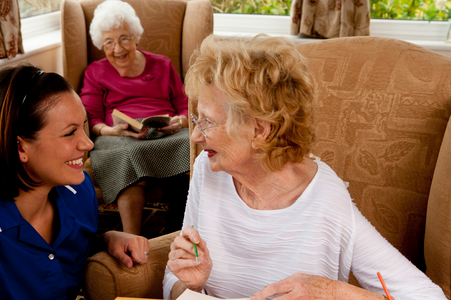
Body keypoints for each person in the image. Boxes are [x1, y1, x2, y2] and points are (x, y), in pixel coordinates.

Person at [162, 35, 446, 300]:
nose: (195, 136)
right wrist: (190, 285)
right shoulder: (209, 169)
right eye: (197, 120)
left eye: (208, 122)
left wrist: (332, 292)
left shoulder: (323, 199)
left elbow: (427, 296)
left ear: (260, 131)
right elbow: (172, 279)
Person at [0, 64, 149, 299]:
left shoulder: (79, 191)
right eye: (70, 133)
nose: (87, 144)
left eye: (83, 126)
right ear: (20, 147)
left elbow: (60, 259)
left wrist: (105, 240)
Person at [80, 0, 190, 235]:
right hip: (119, 136)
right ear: (101, 44)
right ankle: (132, 240)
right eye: (109, 42)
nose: (117, 49)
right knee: (127, 153)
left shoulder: (162, 64)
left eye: (124, 39)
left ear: (136, 37)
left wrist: (178, 122)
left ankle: (177, 233)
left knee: (192, 144)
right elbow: (90, 117)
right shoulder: (95, 72)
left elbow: (184, 105)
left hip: (166, 134)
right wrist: (109, 130)